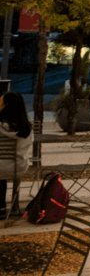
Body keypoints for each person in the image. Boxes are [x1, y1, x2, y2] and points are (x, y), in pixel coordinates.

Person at [0, 91, 33, 219]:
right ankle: (8, 207)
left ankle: (1, 206)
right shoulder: (26, 127)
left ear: (6, 105)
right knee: (3, 166)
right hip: (18, 167)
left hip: (1, 167)